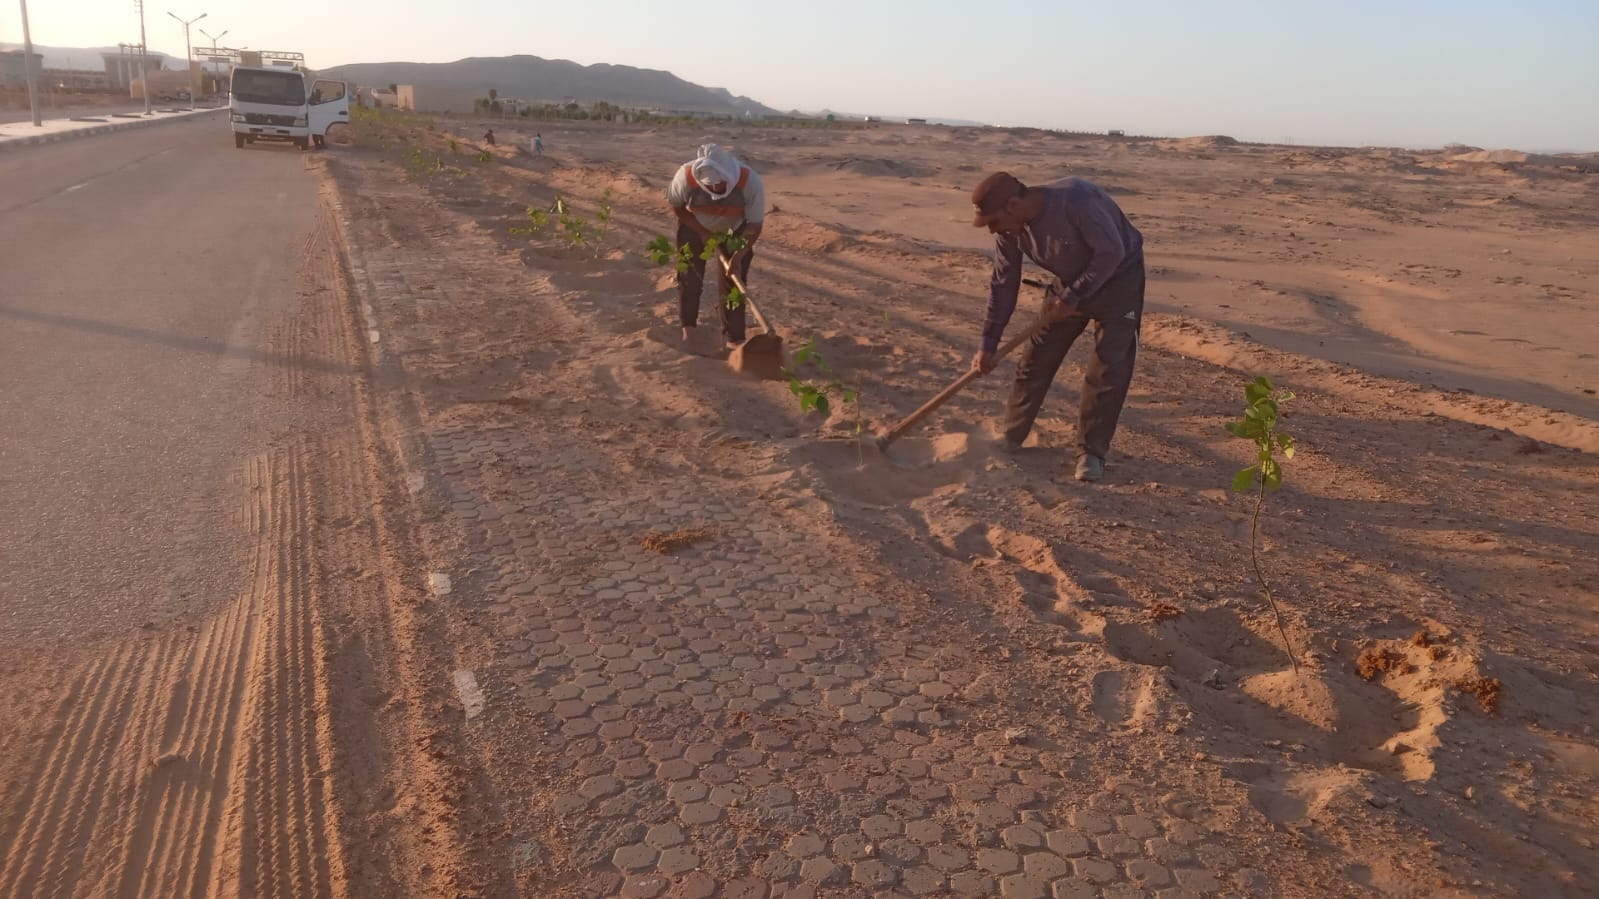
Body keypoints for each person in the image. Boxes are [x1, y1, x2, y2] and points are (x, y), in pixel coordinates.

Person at [969, 172, 1145, 482]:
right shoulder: (1010, 231)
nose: (992, 230)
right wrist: (988, 342)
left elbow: (1111, 252)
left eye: (993, 221)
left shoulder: (1077, 200)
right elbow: (1003, 283)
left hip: (1120, 281)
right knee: (1037, 356)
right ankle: (1011, 434)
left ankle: (1091, 452)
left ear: (1013, 205)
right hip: (1071, 280)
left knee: (1108, 369)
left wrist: (1073, 296)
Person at [666, 144, 766, 347]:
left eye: (719, 185)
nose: (715, 189)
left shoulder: (750, 182)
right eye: (710, 186)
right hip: (695, 226)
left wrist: (739, 255)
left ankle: (734, 339)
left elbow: (755, 225)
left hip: (735, 230)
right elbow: (677, 206)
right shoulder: (686, 176)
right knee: (690, 277)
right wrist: (702, 232)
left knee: (734, 282)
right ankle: (689, 332)